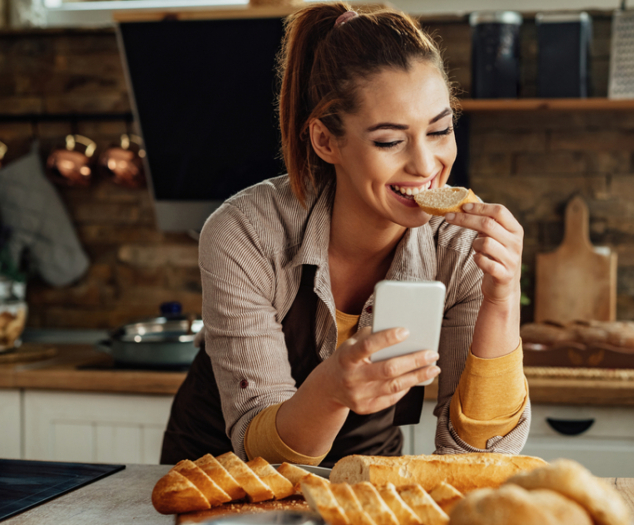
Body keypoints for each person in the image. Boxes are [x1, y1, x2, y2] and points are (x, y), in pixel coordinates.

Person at [160, 2, 530, 467]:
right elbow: (261, 450)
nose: (425, 165)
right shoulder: (244, 233)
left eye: (439, 130)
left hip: (365, 473)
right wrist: (332, 389)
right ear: (325, 141)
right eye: (390, 141)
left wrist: (502, 297)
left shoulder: (460, 248)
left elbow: (478, 457)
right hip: (220, 474)